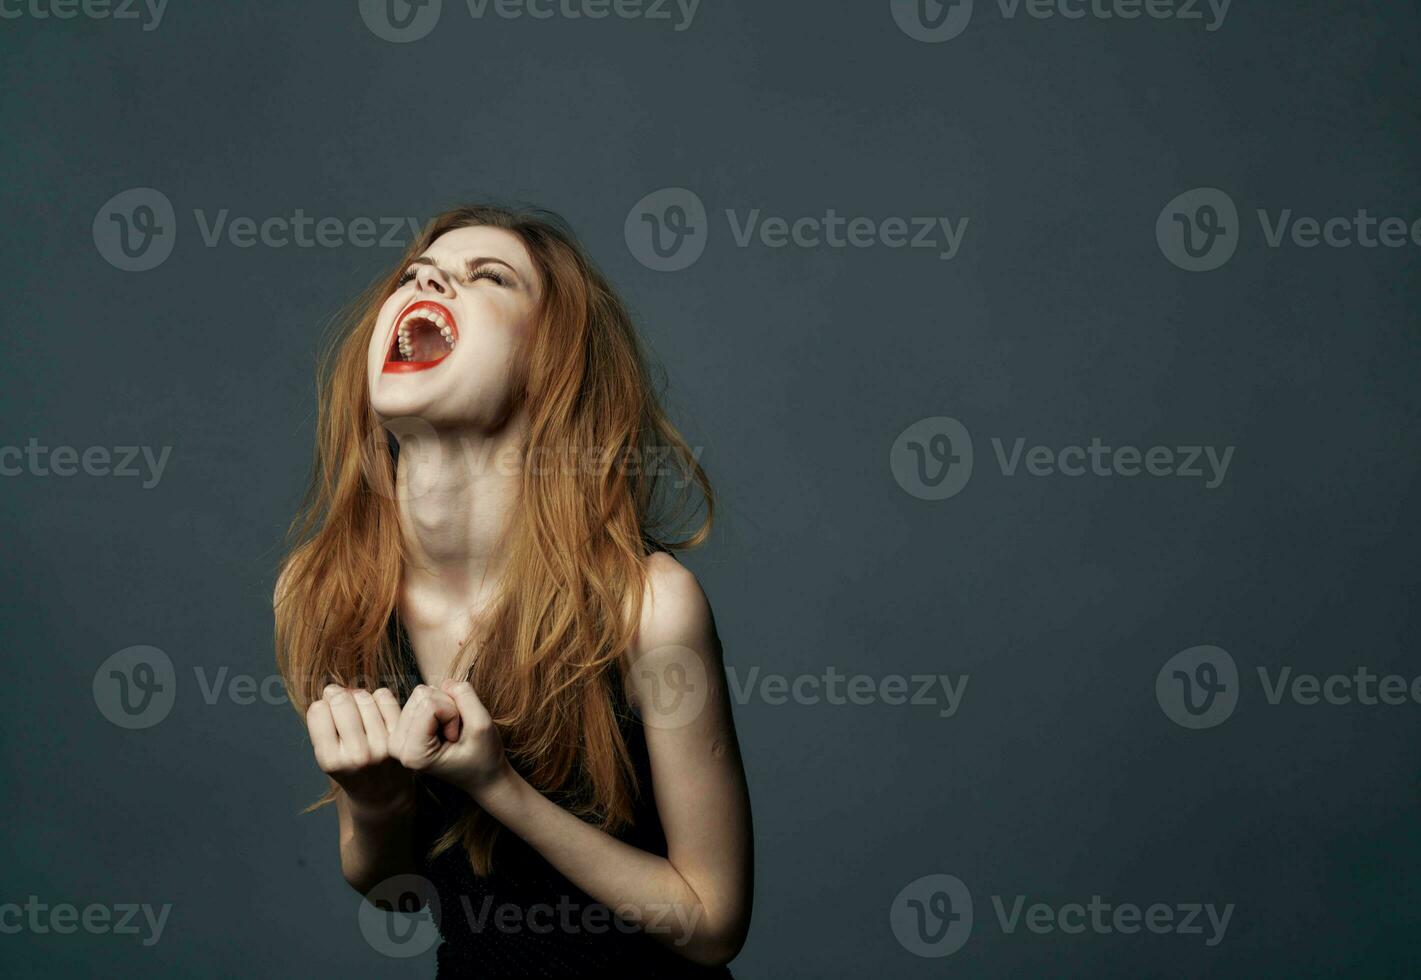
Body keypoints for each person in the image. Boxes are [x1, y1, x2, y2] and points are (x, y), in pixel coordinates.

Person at [273, 205, 752, 977]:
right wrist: (373, 803)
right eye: (417, 274)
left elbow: (711, 922)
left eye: (486, 277)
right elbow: (393, 892)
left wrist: (500, 787)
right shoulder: (325, 591)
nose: (428, 278)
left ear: (551, 363)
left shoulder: (647, 606)